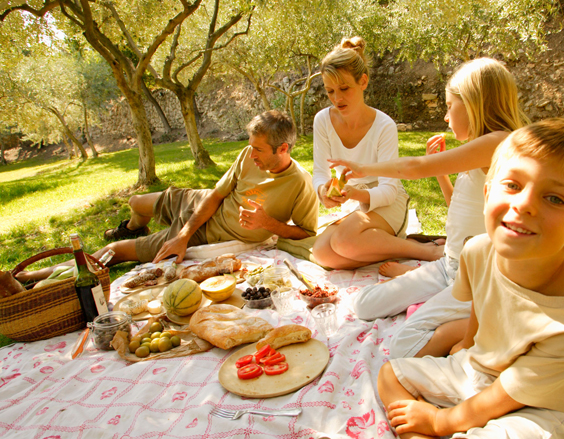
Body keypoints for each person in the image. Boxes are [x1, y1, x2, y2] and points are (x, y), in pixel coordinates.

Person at [377, 118, 564, 439]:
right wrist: (466, 344)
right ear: (487, 192)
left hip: (553, 404)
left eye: (554, 198)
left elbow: (509, 394)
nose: (524, 204)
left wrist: (439, 422)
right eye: (512, 185)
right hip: (486, 368)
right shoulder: (478, 250)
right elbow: (481, 302)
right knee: (390, 375)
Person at [329, 58, 527, 358]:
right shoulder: (480, 149)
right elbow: (459, 209)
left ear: (474, 104)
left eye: (450, 106)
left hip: (477, 278)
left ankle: (494, 320)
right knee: (362, 304)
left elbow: (413, 166)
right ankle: (432, 295)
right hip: (450, 265)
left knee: (404, 347)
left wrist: (362, 167)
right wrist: (442, 175)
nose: (447, 117)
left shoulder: (499, 143)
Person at [16, 111, 318, 282]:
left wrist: (268, 223)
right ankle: (134, 224)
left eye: (259, 150)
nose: (251, 154)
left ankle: (30, 278)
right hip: (200, 204)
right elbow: (215, 195)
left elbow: (306, 232)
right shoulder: (246, 156)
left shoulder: (300, 184)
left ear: (283, 149)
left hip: (209, 234)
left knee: (116, 250)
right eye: (250, 146)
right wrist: (183, 234)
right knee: (136, 202)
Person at [311, 37, 444, 270]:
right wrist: (323, 191)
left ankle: (427, 251)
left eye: (344, 89)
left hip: (386, 201)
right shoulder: (322, 120)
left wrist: (354, 194)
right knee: (322, 254)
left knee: (343, 241)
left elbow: (389, 191)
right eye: (330, 91)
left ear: (363, 81)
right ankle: (387, 244)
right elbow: (320, 174)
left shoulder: (384, 125)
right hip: (355, 204)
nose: (336, 98)